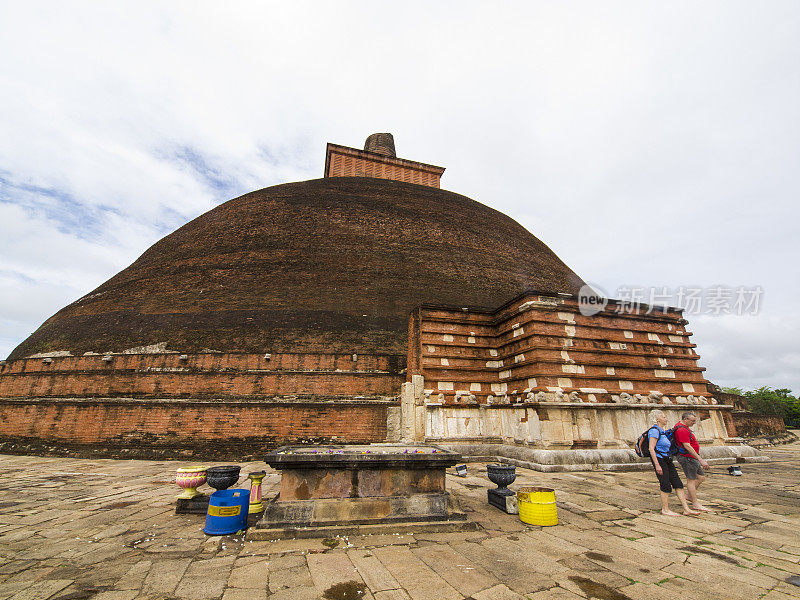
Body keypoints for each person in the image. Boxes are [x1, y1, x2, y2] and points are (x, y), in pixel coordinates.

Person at [647, 409, 700, 516]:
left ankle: (686, 509)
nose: (666, 419)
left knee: (678, 483)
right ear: (657, 419)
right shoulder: (654, 431)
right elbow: (651, 448)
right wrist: (657, 465)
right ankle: (665, 509)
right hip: (659, 460)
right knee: (665, 484)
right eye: (664, 417)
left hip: (667, 458)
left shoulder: (662, 430)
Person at [673, 411, 712, 512]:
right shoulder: (681, 429)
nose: (694, 423)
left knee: (701, 478)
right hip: (687, 457)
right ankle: (695, 503)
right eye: (692, 421)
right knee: (690, 480)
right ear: (685, 419)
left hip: (692, 457)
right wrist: (700, 459)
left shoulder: (684, 427)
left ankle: (689, 495)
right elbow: (687, 445)